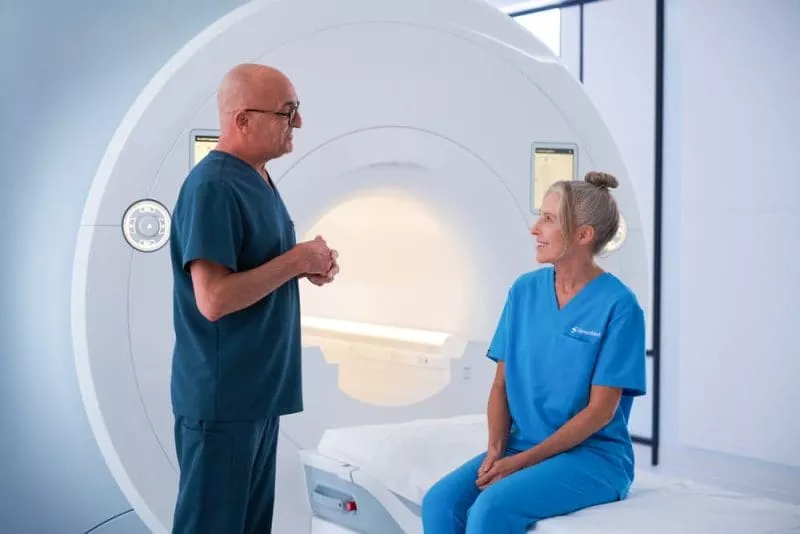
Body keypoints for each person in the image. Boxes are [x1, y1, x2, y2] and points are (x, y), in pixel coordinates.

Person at [421, 171, 646, 534]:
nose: (534, 228)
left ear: (583, 235)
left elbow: (600, 412)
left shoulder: (619, 306)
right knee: (441, 503)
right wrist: (496, 450)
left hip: (593, 458)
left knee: (490, 510)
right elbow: (500, 386)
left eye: (549, 219)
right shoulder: (524, 291)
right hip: (520, 445)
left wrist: (523, 462)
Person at [168, 63, 339, 534]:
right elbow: (214, 298)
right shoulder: (213, 186)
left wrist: (308, 267)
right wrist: (295, 260)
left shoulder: (257, 176)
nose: (298, 123)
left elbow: (255, 267)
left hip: (257, 395)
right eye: (288, 112)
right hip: (223, 400)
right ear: (242, 120)